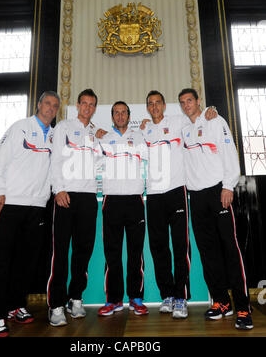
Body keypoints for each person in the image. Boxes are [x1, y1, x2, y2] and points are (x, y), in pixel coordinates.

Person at [0, 91, 60, 337]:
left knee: (27, 262)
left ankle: (16, 305)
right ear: (39, 105)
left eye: (55, 106)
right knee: (3, 260)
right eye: (47, 103)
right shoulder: (20, 128)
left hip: (38, 206)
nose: (50, 108)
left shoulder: (53, 136)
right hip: (11, 202)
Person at [179, 88, 253, 330]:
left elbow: (230, 153)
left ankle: (243, 306)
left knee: (230, 249)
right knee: (208, 251)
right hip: (196, 197)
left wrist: (228, 186)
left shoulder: (215, 120)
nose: (186, 104)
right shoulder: (183, 128)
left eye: (190, 100)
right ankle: (222, 302)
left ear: (199, 101)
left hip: (218, 192)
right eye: (183, 102)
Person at [141, 90, 217, 319]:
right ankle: (167, 295)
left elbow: (197, 115)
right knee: (158, 246)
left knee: (180, 246)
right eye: (150, 104)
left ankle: (181, 297)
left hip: (176, 191)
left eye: (158, 103)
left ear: (164, 105)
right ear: (147, 108)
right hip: (153, 194)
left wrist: (212, 110)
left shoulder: (178, 121)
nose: (154, 107)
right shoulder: (144, 129)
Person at [47, 89, 99, 326]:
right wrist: (58, 189)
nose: (87, 108)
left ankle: (75, 298)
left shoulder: (95, 133)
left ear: (94, 108)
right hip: (66, 196)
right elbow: (55, 159)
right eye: (84, 103)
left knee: (83, 251)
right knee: (61, 252)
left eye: (91, 105)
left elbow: (100, 162)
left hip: (89, 197)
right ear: (77, 105)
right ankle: (55, 305)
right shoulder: (64, 128)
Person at [97, 101, 149, 317]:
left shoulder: (140, 137)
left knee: (135, 253)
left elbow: (154, 159)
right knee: (113, 253)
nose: (120, 115)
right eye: (116, 113)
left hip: (135, 200)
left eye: (123, 112)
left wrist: (149, 128)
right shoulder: (103, 139)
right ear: (112, 116)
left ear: (129, 115)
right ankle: (113, 300)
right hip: (111, 200)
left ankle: (135, 298)